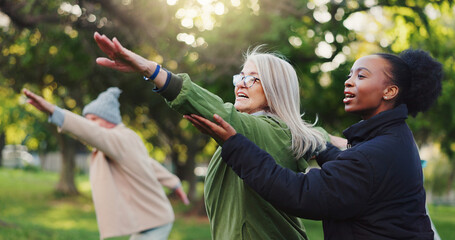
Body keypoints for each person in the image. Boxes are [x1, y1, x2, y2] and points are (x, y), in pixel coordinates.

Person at [185, 49, 443, 240]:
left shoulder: (378, 152)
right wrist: (316, 141)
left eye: (361, 76)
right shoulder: (392, 138)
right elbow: (348, 170)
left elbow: (300, 193)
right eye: (349, 74)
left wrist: (234, 144)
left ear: (390, 91)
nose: (348, 81)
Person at [93, 32, 328, 239]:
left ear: (276, 88)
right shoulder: (266, 131)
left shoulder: (268, 130)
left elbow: (217, 110)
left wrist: (150, 69)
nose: (240, 85)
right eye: (240, 77)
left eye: (252, 79)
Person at [23, 87, 189, 240]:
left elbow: (92, 133)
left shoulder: (119, 139)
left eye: (94, 119)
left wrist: (55, 112)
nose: (90, 124)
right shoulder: (124, 139)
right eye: (88, 120)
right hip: (150, 218)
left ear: (110, 119)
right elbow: (148, 163)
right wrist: (174, 183)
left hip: (155, 220)